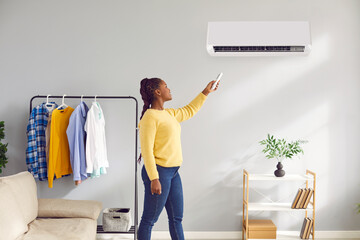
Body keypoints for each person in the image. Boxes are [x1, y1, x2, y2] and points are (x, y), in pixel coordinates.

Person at [137, 77, 220, 240]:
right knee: (149, 220)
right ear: (157, 92)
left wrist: (205, 92)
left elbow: (189, 110)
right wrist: (154, 178)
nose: (169, 89)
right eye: (166, 86)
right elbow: (146, 151)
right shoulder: (149, 118)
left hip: (173, 173)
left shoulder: (169, 114)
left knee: (176, 219)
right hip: (158, 173)